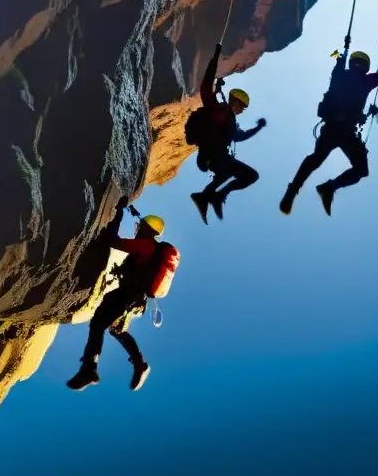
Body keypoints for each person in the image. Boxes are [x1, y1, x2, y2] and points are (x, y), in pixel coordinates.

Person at [279, 36, 378, 216]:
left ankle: (299, 189)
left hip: (335, 127)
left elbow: (338, 70)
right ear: (365, 67)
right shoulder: (364, 80)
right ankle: (326, 187)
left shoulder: (343, 74)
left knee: (316, 159)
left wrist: (344, 54)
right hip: (344, 130)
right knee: (358, 170)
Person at [67, 197, 164, 392]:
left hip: (128, 296)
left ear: (147, 230)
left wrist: (116, 214)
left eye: (140, 227)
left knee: (99, 323)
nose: (137, 229)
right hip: (134, 299)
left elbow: (114, 241)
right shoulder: (150, 249)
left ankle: (89, 368)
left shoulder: (147, 246)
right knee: (114, 328)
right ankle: (138, 364)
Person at [188, 42, 267, 224]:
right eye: (243, 107)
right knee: (239, 172)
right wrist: (215, 58)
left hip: (217, 156)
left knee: (241, 175)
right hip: (211, 154)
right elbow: (206, 88)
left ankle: (211, 196)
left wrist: (257, 128)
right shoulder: (219, 109)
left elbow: (239, 136)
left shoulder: (230, 119)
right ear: (236, 102)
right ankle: (210, 196)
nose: (243, 110)